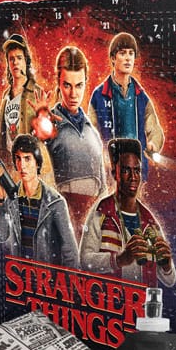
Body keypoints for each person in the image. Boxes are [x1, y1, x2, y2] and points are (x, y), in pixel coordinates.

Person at [79, 138, 176, 287]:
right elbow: (85, 261)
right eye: (125, 171)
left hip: (143, 301)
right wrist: (119, 259)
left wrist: (167, 266)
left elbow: (170, 280)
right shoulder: (101, 211)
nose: (133, 177)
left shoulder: (149, 220)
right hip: (110, 299)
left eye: (137, 171)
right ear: (114, 173)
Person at [46, 45, 106, 237]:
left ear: (86, 82)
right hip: (63, 220)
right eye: (67, 85)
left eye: (79, 85)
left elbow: (103, 187)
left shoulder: (91, 131)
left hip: (92, 224)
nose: (73, 94)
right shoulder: (48, 123)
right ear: (58, 82)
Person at [0, 134, 78, 268]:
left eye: (27, 159)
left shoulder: (55, 203)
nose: (22, 165)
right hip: (20, 276)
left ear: (37, 163)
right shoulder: (12, 199)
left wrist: (67, 280)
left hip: (47, 278)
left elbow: (70, 252)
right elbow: (2, 235)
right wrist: (1, 196)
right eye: (18, 158)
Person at [89, 33, 165, 178]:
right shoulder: (98, 96)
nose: (128, 58)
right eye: (122, 53)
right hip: (109, 174)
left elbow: (155, 129)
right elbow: (90, 133)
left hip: (136, 174)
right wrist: (101, 155)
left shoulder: (141, 97)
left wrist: (153, 144)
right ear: (113, 58)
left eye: (131, 53)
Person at [0, 33, 54, 185]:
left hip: (37, 170)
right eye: (11, 59)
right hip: (14, 167)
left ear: (26, 61)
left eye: (19, 58)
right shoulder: (6, 96)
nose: (15, 63)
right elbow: (1, 135)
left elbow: (49, 133)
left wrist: (44, 121)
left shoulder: (36, 93)